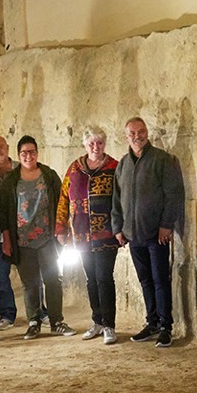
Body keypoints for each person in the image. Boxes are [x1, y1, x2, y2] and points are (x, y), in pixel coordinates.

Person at [112, 117, 187, 348]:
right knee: (145, 281)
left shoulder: (162, 160)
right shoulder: (123, 164)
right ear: (126, 137)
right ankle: (152, 322)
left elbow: (173, 195)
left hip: (156, 234)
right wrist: (118, 228)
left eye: (141, 131)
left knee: (160, 280)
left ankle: (166, 326)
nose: (137, 136)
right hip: (133, 235)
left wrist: (166, 225)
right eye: (132, 133)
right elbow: (116, 199)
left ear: (147, 133)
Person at [0, 135, 72, 340]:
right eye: (24, 153)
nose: (28, 156)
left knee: (52, 279)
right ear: (19, 155)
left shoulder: (48, 175)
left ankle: (56, 320)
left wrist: (63, 229)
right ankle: (34, 321)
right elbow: (3, 211)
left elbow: (61, 203)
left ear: (37, 153)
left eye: (32, 152)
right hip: (22, 240)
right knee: (30, 283)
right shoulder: (11, 180)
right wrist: (7, 239)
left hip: (47, 238)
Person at [58, 126, 118, 340]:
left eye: (99, 143)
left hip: (106, 234)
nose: (96, 146)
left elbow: (121, 201)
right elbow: (64, 198)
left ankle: (109, 325)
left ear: (104, 144)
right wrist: (61, 227)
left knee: (104, 278)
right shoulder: (74, 169)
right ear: (85, 145)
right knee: (91, 279)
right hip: (82, 235)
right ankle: (97, 322)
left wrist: (121, 229)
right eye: (91, 143)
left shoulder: (114, 167)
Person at [0, 135, 23, 330]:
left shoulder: (21, 169)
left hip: (23, 230)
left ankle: (40, 312)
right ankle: (7, 315)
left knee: (31, 275)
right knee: (2, 276)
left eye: (1, 147)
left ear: (7, 148)